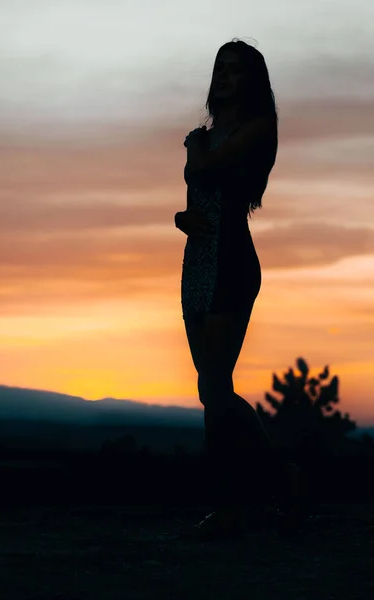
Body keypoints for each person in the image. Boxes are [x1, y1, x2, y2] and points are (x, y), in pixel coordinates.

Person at [175, 38, 302, 539]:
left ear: (253, 80)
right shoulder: (211, 134)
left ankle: (229, 506)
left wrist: (190, 144)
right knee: (213, 390)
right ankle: (278, 478)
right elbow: (196, 198)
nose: (225, 77)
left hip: (231, 262)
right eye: (219, 69)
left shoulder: (258, 129)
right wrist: (182, 217)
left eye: (236, 70)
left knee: (215, 386)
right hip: (196, 262)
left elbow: (205, 169)